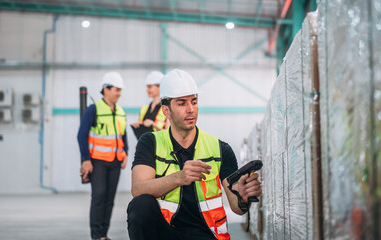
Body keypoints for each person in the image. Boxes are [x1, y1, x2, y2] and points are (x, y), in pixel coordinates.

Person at [126, 69, 262, 240]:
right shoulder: (150, 142)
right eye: (182, 103)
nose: (191, 109)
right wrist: (179, 178)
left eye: (194, 102)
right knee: (140, 205)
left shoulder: (220, 149)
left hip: (206, 235)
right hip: (167, 233)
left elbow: (236, 207)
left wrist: (243, 198)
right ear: (166, 111)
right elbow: (138, 188)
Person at [77, 71, 129, 240]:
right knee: (99, 197)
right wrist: (86, 160)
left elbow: (123, 135)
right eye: (117, 89)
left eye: (120, 90)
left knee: (109, 200)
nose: (119, 93)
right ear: (106, 89)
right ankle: (96, 235)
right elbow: (81, 135)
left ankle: (103, 235)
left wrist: (125, 153)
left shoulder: (120, 111)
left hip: (115, 162)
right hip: (97, 162)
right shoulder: (94, 110)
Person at [131, 71, 168, 139]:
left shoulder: (167, 108)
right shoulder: (144, 109)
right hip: (145, 147)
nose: (147, 90)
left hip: (159, 148)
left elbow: (169, 135)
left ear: (160, 87)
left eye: (150, 87)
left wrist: (153, 125)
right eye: (147, 87)